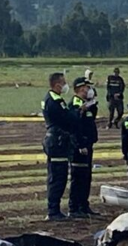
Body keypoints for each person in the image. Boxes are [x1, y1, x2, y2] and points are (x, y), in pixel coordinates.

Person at [42, 73, 79, 221]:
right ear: (57, 85)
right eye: (63, 82)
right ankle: (53, 211)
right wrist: (76, 111)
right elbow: (68, 119)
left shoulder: (51, 99)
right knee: (58, 177)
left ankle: (54, 210)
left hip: (56, 140)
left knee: (58, 176)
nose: (65, 85)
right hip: (57, 141)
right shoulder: (55, 101)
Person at [68, 77, 99, 218]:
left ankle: (84, 206)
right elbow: (74, 126)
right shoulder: (76, 103)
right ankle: (74, 208)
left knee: (86, 176)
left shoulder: (86, 104)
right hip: (80, 146)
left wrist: (92, 106)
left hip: (88, 144)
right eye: (87, 87)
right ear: (81, 88)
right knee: (78, 177)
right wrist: (79, 144)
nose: (89, 90)